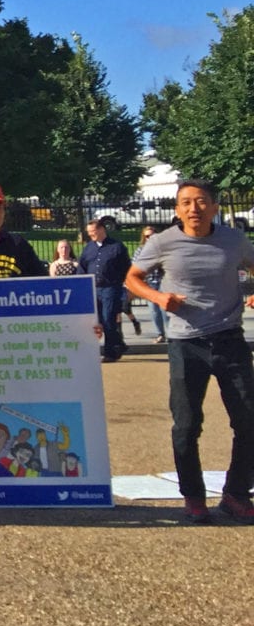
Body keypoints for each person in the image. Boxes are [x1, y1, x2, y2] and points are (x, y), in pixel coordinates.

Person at [125, 179, 254, 524]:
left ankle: (236, 494)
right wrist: (158, 298)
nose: (193, 208)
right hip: (186, 343)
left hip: (230, 339)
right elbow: (132, 278)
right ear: (177, 210)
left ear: (214, 207)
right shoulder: (162, 242)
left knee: (248, 420)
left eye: (201, 202)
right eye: (186, 202)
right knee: (186, 424)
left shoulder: (235, 240)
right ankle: (193, 497)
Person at [79, 219, 131, 362]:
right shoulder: (89, 248)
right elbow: (82, 267)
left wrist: (123, 286)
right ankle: (119, 344)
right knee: (99, 320)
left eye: (93, 232)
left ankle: (111, 353)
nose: (91, 235)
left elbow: (126, 268)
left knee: (108, 319)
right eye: (89, 233)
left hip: (110, 288)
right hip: (93, 288)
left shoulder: (117, 247)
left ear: (102, 229)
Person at [133, 226, 166, 343]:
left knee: (164, 309)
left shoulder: (163, 248)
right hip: (149, 283)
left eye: (152, 235)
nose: (150, 238)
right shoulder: (140, 250)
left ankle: (170, 334)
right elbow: (135, 266)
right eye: (147, 236)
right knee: (154, 310)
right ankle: (160, 334)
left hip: (163, 281)